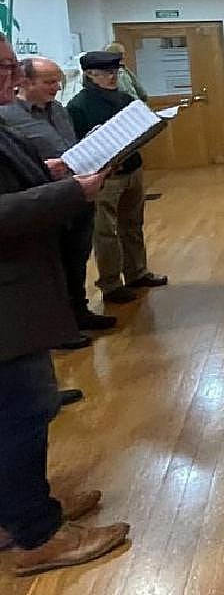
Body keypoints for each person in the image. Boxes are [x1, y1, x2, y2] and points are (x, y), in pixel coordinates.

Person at [0, 39, 130, 575]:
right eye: (5, 67)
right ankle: (38, 535)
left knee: (19, 412)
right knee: (24, 413)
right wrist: (67, 193)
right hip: (8, 305)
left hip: (19, 290)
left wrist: (50, 174)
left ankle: (22, 511)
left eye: (13, 65)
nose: (13, 75)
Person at [0, 58, 116, 337]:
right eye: (49, 82)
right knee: (57, 264)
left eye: (58, 81)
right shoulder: (8, 116)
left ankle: (80, 312)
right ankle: (62, 328)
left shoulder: (60, 110)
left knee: (77, 259)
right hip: (44, 202)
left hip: (75, 194)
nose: (56, 87)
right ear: (26, 83)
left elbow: (69, 146)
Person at [67, 52, 168, 306]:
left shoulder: (124, 99)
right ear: (90, 74)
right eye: (106, 73)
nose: (113, 77)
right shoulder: (78, 106)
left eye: (115, 72)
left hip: (132, 169)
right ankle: (111, 284)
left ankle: (137, 272)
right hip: (105, 177)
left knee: (132, 224)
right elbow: (78, 145)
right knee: (105, 232)